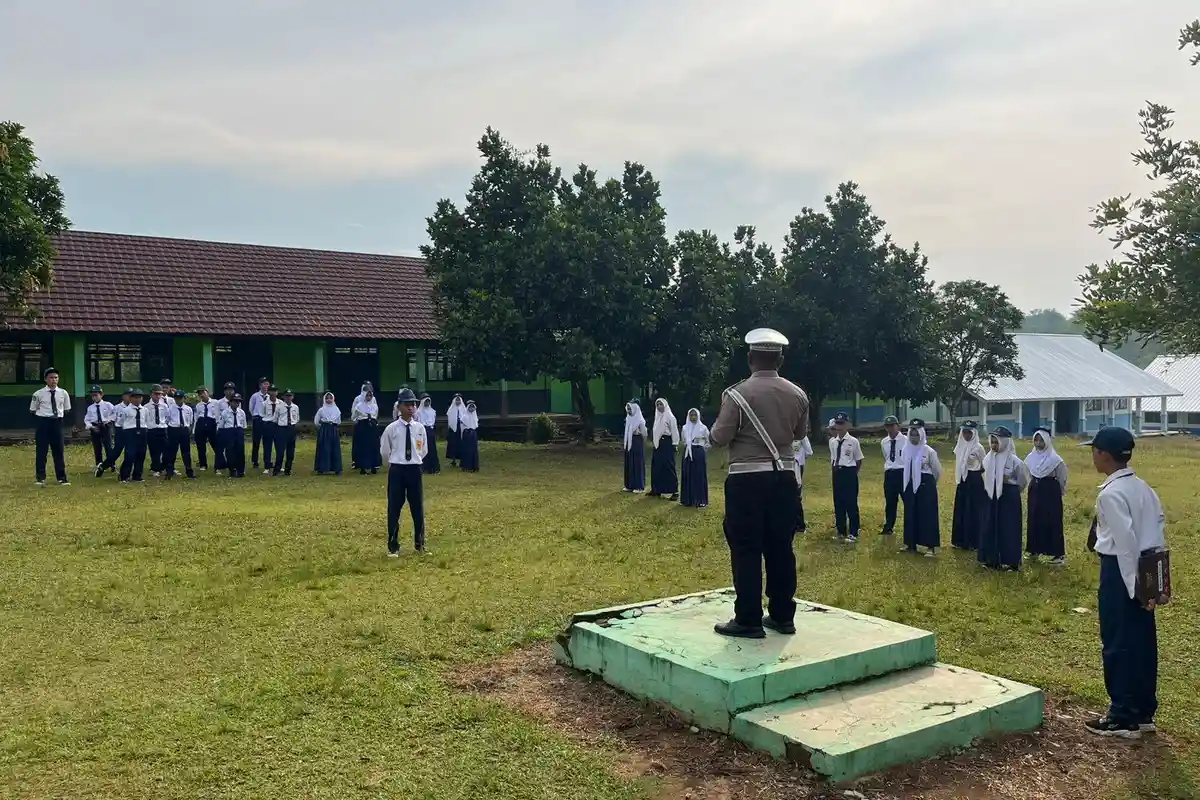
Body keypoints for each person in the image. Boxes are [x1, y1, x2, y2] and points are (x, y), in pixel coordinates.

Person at [709, 327, 809, 639]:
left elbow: (719, 438)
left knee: (747, 548)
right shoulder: (798, 394)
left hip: (747, 480)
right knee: (781, 546)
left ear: (750, 358)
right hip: (784, 479)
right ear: (780, 359)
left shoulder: (737, 395)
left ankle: (749, 618)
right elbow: (800, 434)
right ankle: (781, 615)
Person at [1082, 427, 1167, 739]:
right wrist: (1152, 586)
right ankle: (1143, 711)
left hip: (1122, 571)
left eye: (1094, 451)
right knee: (1142, 642)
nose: (1092, 455)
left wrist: (1133, 589)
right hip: (1146, 568)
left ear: (1104, 454)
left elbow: (1126, 543)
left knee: (1118, 642)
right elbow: (1156, 531)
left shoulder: (1110, 494)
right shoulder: (1143, 487)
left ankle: (1122, 717)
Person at [381, 387, 429, 556]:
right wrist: (397, 462)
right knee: (394, 508)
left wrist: (414, 461)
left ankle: (420, 544)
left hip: (414, 469)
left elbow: (423, 450)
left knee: (418, 508)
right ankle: (393, 546)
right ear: (399, 407)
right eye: (407, 405)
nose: (411, 408)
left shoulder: (419, 428)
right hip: (397, 470)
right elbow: (385, 451)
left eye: (413, 404)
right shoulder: (391, 429)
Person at [978, 426, 1028, 571]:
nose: (994, 445)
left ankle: (1011, 561)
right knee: (990, 525)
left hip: (1009, 497)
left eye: (997, 442)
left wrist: (1010, 489)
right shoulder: (988, 458)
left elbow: (1022, 480)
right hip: (991, 496)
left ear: (1005, 442)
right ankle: (991, 559)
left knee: (1009, 528)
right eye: (992, 442)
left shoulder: (1015, 461)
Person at [1026, 427, 1069, 565]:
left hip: (1050, 491)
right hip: (1035, 489)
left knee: (1052, 520)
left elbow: (1062, 478)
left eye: (1041, 440)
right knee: (1034, 518)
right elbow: (1027, 474)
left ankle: (1057, 555)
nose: (1038, 443)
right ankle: (1034, 550)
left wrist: (1059, 492)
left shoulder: (1055, 459)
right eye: (1036, 440)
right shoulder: (1031, 457)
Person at [900, 419, 942, 556]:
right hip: (909, 484)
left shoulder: (929, 451)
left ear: (922, 434)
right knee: (910, 514)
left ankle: (930, 547)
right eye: (911, 434)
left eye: (916, 434)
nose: (914, 437)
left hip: (926, 486)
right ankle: (910, 544)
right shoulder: (906, 449)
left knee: (927, 515)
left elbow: (937, 471)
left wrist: (927, 483)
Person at [30, 366, 71, 486]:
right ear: (46, 379)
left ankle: (62, 478)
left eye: (56, 378)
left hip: (57, 422)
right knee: (41, 451)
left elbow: (67, 409)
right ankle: (40, 478)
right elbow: (33, 410)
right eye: (51, 378)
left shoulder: (63, 393)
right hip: (43, 422)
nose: (54, 380)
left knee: (58, 451)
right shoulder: (38, 394)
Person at [950, 421, 987, 550]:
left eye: (969, 432)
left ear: (974, 433)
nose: (966, 435)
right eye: (964, 432)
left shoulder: (978, 448)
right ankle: (960, 540)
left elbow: (985, 465)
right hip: (963, 480)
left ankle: (974, 541)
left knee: (974, 510)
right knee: (961, 510)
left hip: (975, 480)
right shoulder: (960, 446)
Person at [829, 412, 864, 542]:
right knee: (838, 502)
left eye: (842, 424)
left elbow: (859, 459)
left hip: (849, 471)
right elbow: (833, 458)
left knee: (851, 502)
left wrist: (852, 473)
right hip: (837, 472)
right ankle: (841, 530)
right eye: (837, 424)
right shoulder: (833, 442)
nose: (839, 427)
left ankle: (854, 531)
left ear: (847, 425)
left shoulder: (853, 441)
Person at [649, 398, 680, 500]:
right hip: (658, 444)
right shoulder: (657, 417)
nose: (659, 407)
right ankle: (656, 489)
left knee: (668, 466)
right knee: (656, 466)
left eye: (661, 404)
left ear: (665, 405)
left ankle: (674, 491)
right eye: (657, 405)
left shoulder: (670, 417)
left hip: (667, 443)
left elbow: (674, 431)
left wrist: (675, 444)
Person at [680, 408, 710, 508]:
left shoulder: (703, 428)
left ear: (698, 416)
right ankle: (688, 499)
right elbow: (683, 439)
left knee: (699, 475)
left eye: (695, 415)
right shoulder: (685, 428)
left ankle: (700, 499)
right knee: (688, 474)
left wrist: (701, 449)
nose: (693, 417)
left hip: (698, 452)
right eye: (691, 415)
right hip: (688, 452)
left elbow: (708, 441)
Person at [97, 389, 132, 477]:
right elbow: (111, 419)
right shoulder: (117, 407)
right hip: (120, 430)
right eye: (128, 395)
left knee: (130, 452)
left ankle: (125, 472)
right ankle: (103, 466)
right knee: (116, 452)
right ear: (123, 396)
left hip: (131, 431)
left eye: (131, 395)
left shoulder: (134, 407)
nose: (130, 397)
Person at [880, 415, 905, 535]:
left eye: (892, 426)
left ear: (898, 426)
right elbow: (887, 457)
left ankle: (910, 526)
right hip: (890, 473)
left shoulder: (906, 440)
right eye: (888, 426)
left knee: (908, 501)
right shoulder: (884, 442)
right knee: (890, 502)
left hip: (902, 472)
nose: (890, 429)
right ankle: (889, 526)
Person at [118, 388, 149, 483]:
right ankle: (124, 475)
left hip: (142, 431)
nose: (137, 399)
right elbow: (121, 422)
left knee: (141, 454)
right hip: (130, 432)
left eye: (139, 397)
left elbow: (146, 421)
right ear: (131, 399)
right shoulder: (126, 410)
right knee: (130, 454)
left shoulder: (145, 410)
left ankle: (137, 475)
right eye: (135, 397)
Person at [164, 390, 196, 480]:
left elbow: (190, 421)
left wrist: (189, 430)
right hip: (173, 429)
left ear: (184, 398)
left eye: (180, 398)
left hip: (184, 430)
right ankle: (169, 471)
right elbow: (167, 420)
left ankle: (189, 471)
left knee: (186, 452)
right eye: (176, 398)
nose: (178, 400)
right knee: (172, 452)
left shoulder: (188, 409)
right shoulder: (170, 408)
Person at [351, 385, 382, 475]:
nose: (368, 397)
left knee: (373, 445)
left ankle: (374, 466)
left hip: (372, 427)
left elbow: (375, 416)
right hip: (362, 426)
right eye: (367, 395)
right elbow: (354, 416)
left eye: (370, 396)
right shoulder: (359, 405)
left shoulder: (374, 406)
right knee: (363, 446)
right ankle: (363, 467)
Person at [85, 385, 115, 475]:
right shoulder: (90, 408)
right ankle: (99, 464)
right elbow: (87, 419)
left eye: (96, 395)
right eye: (93, 395)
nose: (94, 397)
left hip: (106, 426)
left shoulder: (108, 405)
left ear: (101, 395)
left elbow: (114, 414)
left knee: (108, 446)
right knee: (97, 447)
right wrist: (91, 426)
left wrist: (107, 421)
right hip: (95, 427)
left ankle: (111, 463)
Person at [272, 389, 300, 476]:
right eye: (287, 396)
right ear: (283, 397)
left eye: (290, 396)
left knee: (290, 451)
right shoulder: (279, 407)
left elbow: (297, 418)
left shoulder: (295, 407)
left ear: (293, 397)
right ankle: (277, 470)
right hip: (282, 429)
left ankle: (288, 470)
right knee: (280, 451)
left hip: (291, 428)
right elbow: (275, 419)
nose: (288, 398)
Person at [314, 392, 344, 475]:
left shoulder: (336, 409)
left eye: (330, 398)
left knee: (334, 448)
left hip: (333, 429)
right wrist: (323, 427)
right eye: (327, 398)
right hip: (324, 429)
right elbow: (316, 421)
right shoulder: (321, 409)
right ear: (324, 399)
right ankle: (322, 468)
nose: (329, 400)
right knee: (324, 448)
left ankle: (336, 468)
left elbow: (339, 421)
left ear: (333, 399)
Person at [622, 402, 648, 493]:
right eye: (628, 409)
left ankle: (639, 486)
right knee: (629, 463)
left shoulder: (640, 421)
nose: (629, 411)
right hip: (629, 442)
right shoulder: (628, 419)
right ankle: (629, 485)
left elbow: (645, 434)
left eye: (630, 409)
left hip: (637, 442)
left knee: (637, 463)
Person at [145, 384, 170, 477]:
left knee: (166, 450)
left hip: (162, 429)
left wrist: (163, 425)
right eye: (155, 394)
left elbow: (167, 417)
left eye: (159, 394)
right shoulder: (146, 407)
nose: (158, 396)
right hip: (152, 430)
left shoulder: (164, 406)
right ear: (151, 394)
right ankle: (156, 468)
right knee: (154, 451)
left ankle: (164, 467)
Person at [221, 394, 248, 478]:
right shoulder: (225, 412)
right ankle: (232, 470)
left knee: (240, 451)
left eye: (238, 402)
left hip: (239, 431)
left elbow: (244, 424)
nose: (236, 403)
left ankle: (241, 470)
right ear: (230, 402)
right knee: (230, 451)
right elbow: (221, 425)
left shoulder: (241, 412)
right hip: (229, 431)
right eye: (235, 401)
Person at [193, 386, 220, 471]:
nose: (202, 395)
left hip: (212, 423)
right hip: (201, 424)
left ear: (207, 393)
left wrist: (218, 427)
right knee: (201, 446)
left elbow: (218, 415)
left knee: (216, 445)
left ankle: (219, 464)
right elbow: (196, 418)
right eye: (199, 393)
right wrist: (194, 429)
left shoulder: (216, 402)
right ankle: (203, 464)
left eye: (203, 393)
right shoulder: (198, 405)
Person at [256, 385, 280, 474]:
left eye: (275, 391)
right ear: (268, 392)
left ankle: (279, 465)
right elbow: (262, 414)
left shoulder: (280, 403)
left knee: (279, 446)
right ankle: (267, 466)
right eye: (271, 391)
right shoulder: (264, 403)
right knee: (267, 447)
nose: (273, 393)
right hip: (268, 425)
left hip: (277, 425)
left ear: (277, 392)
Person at [792, 436, 813, 533]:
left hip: (797, 466)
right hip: (784, 466)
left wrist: (799, 457)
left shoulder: (801, 436)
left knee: (796, 496)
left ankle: (800, 525)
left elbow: (809, 452)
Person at [249, 377, 271, 469]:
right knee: (256, 441)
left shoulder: (270, 397)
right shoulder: (255, 396)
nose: (265, 386)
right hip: (257, 419)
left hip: (266, 420)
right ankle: (255, 461)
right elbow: (251, 407)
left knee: (267, 441)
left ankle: (267, 460)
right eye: (263, 384)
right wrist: (255, 416)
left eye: (267, 384)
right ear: (260, 385)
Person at [417, 395, 441, 474]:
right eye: (425, 401)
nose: (427, 403)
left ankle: (433, 467)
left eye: (428, 401)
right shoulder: (418, 412)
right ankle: (423, 467)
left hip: (430, 431)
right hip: (421, 430)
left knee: (432, 449)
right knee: (421, 448)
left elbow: (432, 422)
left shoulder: (433, 411)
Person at [459, 400, 480, 472]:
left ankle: (474, 466)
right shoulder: (464, 416)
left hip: (473, 434)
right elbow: (463, 427)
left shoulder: (475, 416)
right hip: (467, 434)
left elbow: (475, 425)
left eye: (473, 407)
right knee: (467, 450)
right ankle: (466, 466)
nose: (471, 409)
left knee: (474, 450)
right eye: (470, 407)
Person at [445, 394, 465, 466]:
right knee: (453, 444)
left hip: (461, 429)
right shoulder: (451, 409)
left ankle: (461, 460)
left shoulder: (463, 409)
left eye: (459, 400)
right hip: (453, 429)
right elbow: (450, 420)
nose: (458, 401)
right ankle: (453, 460)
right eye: (456, 400)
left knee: (461, 444)